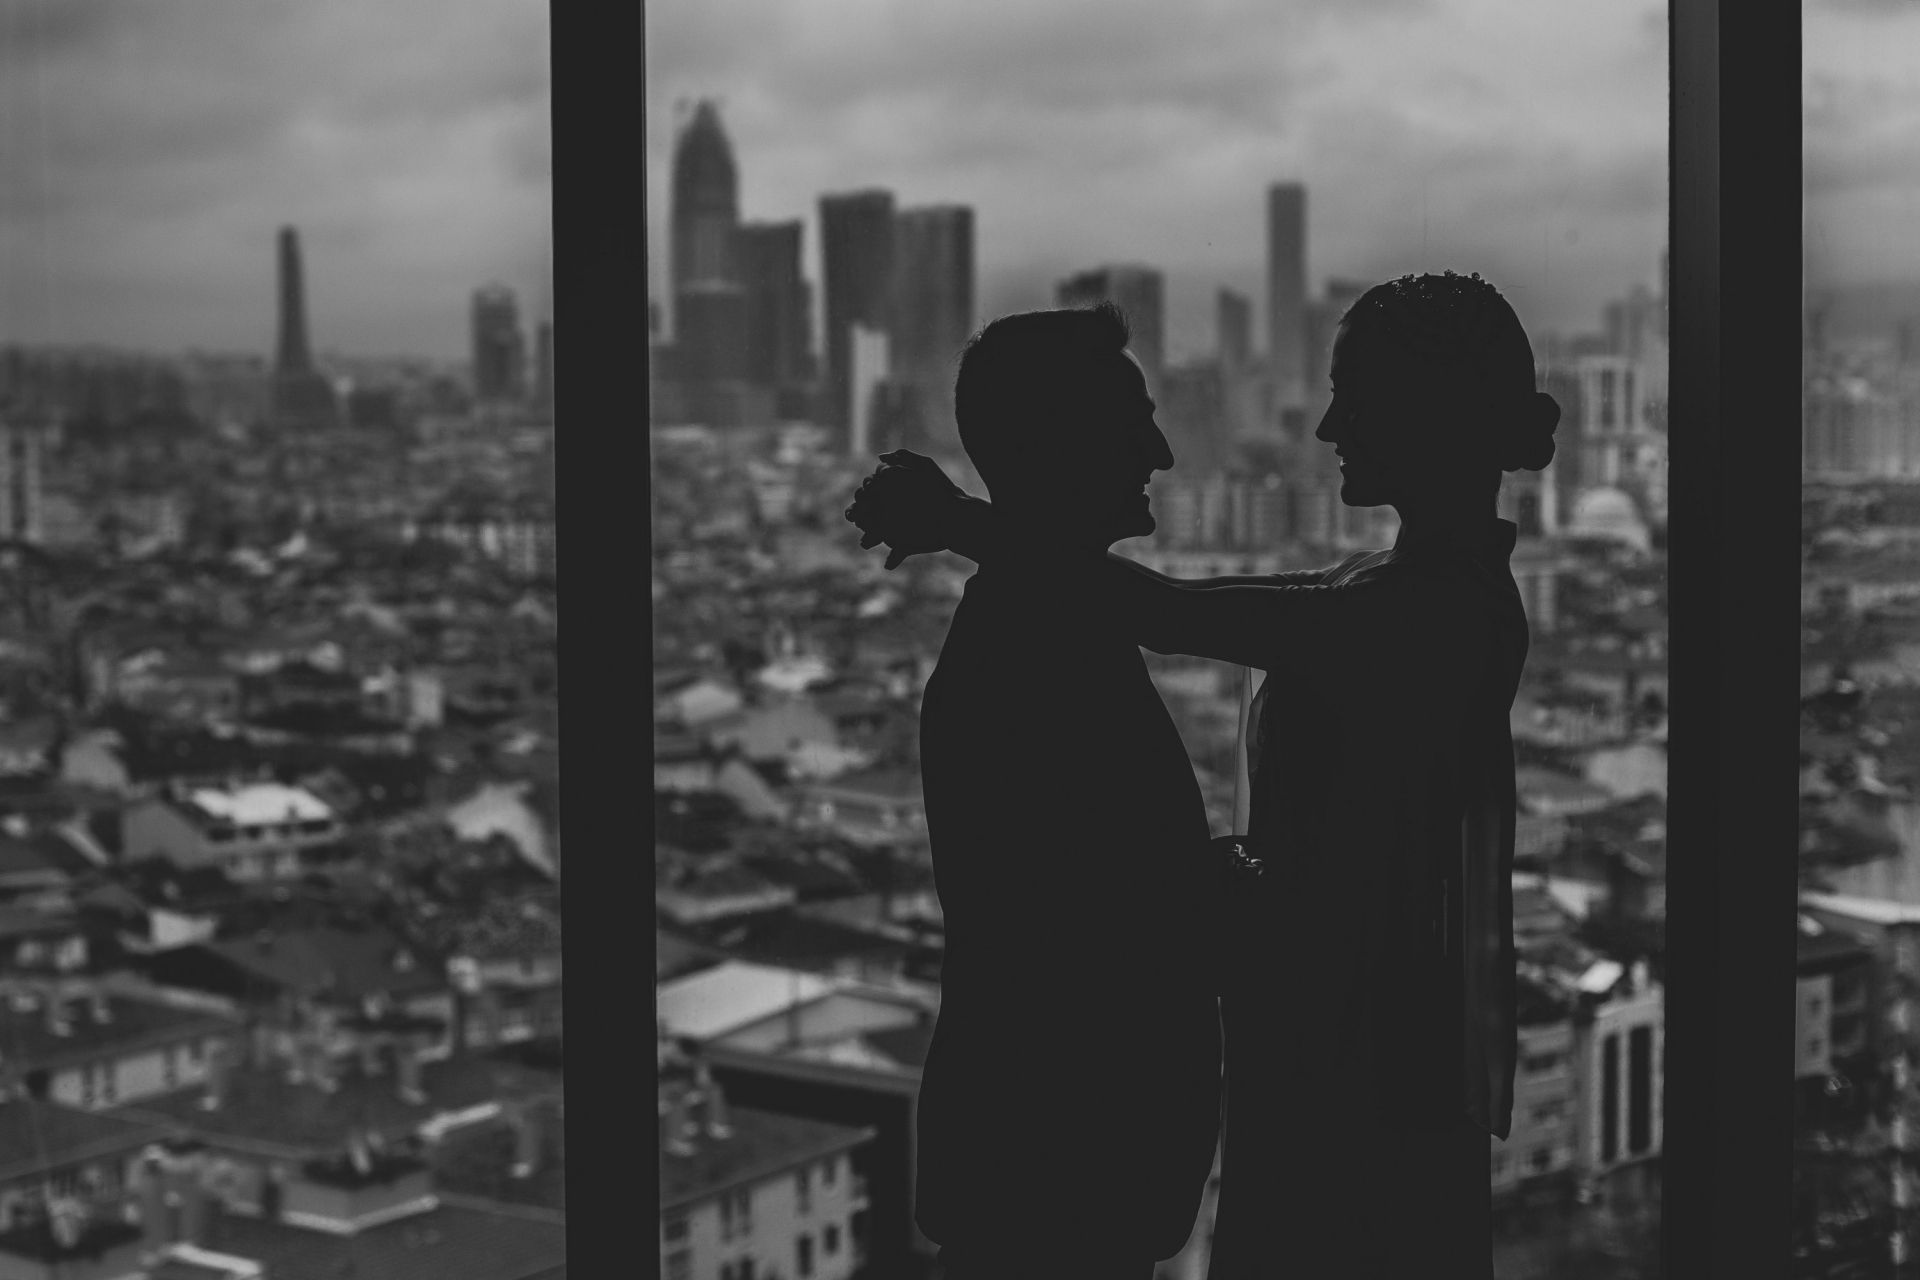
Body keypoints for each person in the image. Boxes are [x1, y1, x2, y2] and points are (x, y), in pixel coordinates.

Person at [847, 271, 1557, 1278]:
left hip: (1361, 1059)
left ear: (1426, 415)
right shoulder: (1390, 593)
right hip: (1292, 1062)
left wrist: (963, 522)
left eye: (1355, 394)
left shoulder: (1437, 617)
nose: (1325, 425)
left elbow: (1173, 612)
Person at [880, 304, 1223, 1280]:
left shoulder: (1047, 621)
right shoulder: (1040, 649)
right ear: (1062, 445)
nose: (1158, 448)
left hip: (1051, 1174)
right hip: (1059, 1179)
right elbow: (1100, 921)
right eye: (1135, 422)